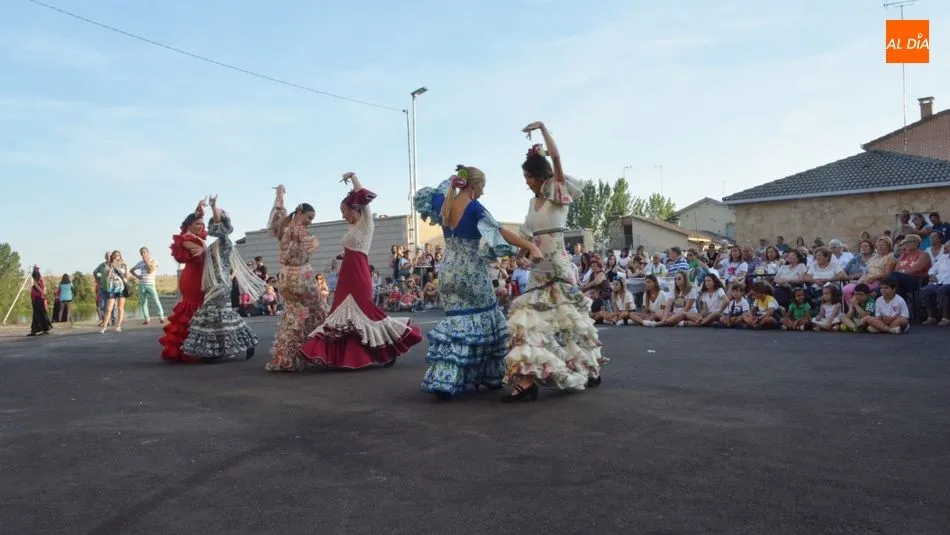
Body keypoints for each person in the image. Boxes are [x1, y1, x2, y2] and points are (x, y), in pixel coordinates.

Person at [414, 165, 542, 401]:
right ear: (474, 185)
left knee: (456, 323)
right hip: (471, 271)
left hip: (448, 271)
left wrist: (455, 181)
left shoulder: (444, 201)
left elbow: (429, 193)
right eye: (482, 186)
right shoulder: (474, 207)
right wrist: (529, 246)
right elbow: (500, 232)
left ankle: (446, 377)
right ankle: (490, 374)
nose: (483, 191)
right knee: (488, 317)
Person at [502, 121, 606, 403]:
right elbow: (526, 236)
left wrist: (544, 129)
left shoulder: (557, 193)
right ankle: (531, 376)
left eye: (528, 177)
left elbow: (557, 158)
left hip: (558, 263)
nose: (526, 182)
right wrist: (518, 254)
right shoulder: (530, 204)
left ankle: (588, 367)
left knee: (568, 319)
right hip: (538, 266)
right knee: (533, 318)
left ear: (539, 175)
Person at [300, 173, 423, 368]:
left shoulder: (367, 224)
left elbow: (365, 200)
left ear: (353, 208)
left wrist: (354, 179)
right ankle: (349, 357)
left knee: (365, 313)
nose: (342, 215)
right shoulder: (353, 228)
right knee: (342, 315)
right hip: (346, 275)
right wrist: (342, 256)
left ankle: (387, 348)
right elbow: (352, 249)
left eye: (344, 211)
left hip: (359, 275)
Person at [181, 195, 267, 361]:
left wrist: (214, 207)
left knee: (216, 314)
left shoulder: (224, 241)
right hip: (216, 283)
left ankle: (224, 348)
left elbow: (218, 227)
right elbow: (194, 230)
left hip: (220, 283)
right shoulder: (220, 243)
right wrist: (201, 210)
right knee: (222, 315)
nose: (211, 224)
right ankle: (233, 346)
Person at [264, 185, 326, 372]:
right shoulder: (299, 231)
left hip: (284, 277)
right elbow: (308, 246)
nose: (310, 222)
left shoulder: (282, 227)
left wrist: (280, 194)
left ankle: (286, 357)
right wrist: (314, 243)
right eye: (309, 217)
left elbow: (279, 211)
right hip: (301, 276)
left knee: (293, 317)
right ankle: (314, 354)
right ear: (299, 212)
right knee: (316, 312)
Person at [159, 198, 208, 362]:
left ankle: (193, 347)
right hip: (193, 278)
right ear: (189, 225)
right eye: (198, 224)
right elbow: (200, 252)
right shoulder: (187, 238)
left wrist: (199, 210)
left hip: (199, 276)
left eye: (202, 224)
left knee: (198, 308)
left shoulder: (196, 237)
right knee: (193, 309)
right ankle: (189, 349)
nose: (201, 226)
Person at [28, 266, 52, 336]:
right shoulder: (41, 282)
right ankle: (40, 330)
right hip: (39, 300)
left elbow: (41, 291)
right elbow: (43, 290)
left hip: (37, 300)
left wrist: (43, 294)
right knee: (41, 315)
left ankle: (37, 330)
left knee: (37, 315)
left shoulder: (36, 283)